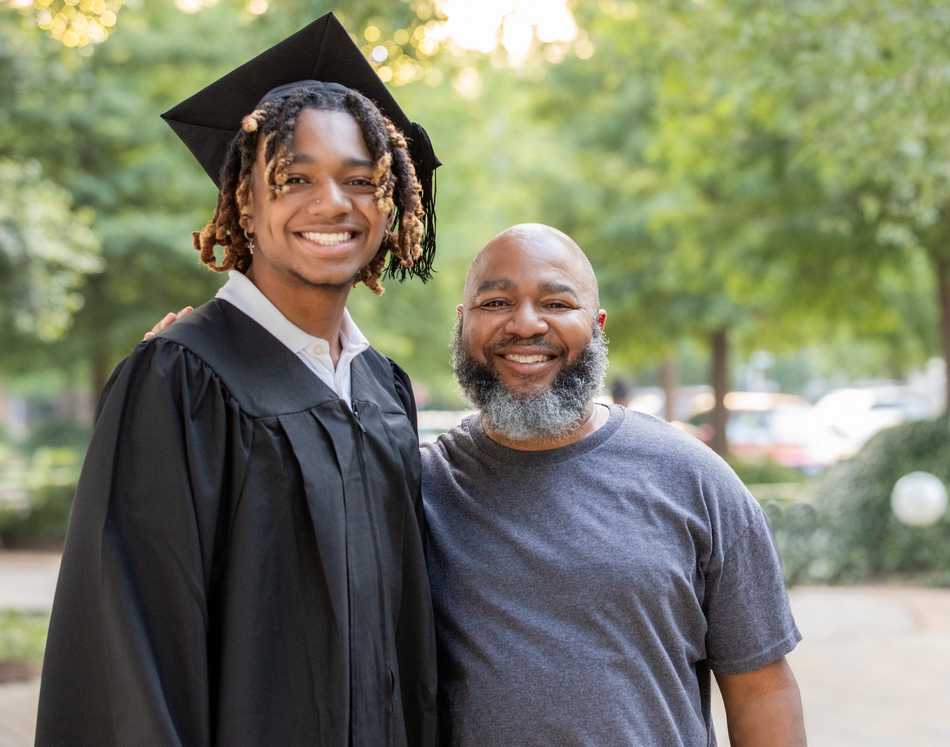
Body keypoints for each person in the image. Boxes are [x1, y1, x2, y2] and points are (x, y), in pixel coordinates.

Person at [36, 14, 439, 746]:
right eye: (295, 177)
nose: (332, 204)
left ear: (390, 206)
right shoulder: (181, 380)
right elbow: (132, 656)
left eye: (359, 180)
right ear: (244, 201)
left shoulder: (384, 390)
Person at [425, 223, 806, 745]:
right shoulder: (421, 490)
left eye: (557, 304)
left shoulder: (695, 480)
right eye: (496, 303)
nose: (526, 324)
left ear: (598, 326)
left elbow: (761, 689)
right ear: (463, 324)